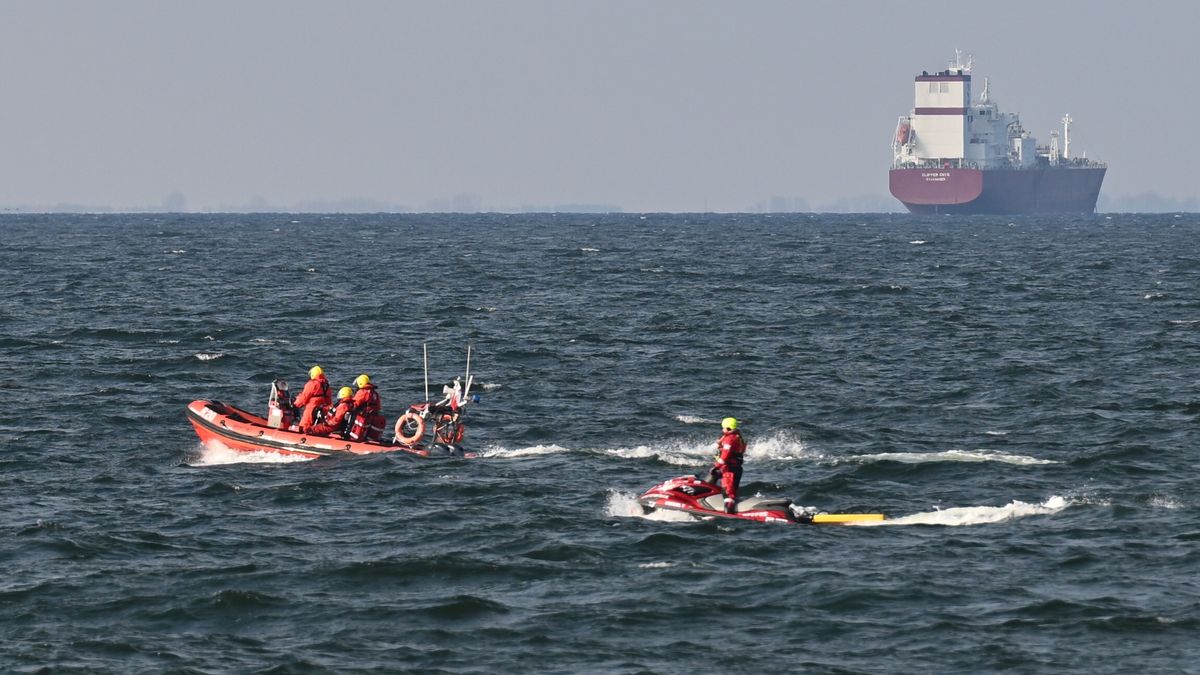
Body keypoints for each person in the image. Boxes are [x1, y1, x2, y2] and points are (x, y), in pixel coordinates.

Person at [705, 417, 746, 513]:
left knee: (728, 493)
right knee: (713, 480)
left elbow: (725, 455)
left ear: (728, 428)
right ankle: (707, 498)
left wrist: (717, 466)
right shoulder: (739, 437)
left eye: (723, 427)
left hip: (728, 468)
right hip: (736, 468)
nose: (722, 430)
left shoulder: (729, 439)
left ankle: (728, 511)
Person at [292, 365, 331, 433]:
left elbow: (304, 397)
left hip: (312, 408)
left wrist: (295, 404)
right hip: (322, 410)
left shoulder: (312, 384)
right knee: (317, 426)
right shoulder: (326, 385)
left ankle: (301, 436)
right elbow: (329, 400)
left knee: (304, 426)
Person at [348, 373, 385, 442]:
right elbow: (378, 407)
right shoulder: (374, 393)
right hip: (372, 417)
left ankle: (349, 437)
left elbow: (354, 404)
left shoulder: (363, 392)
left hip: (364, 417)